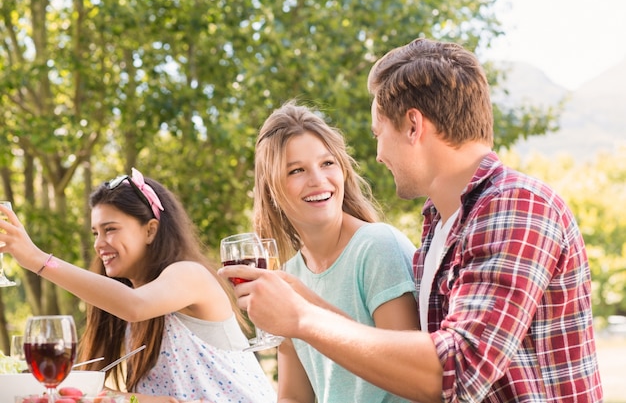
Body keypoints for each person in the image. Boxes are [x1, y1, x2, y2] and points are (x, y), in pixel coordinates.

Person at [219, 38, 604, 402]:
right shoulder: (441, 227)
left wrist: (303, 318)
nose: (378, 154)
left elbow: (457, 369)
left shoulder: (516, 205)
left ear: (413, 126)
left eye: (378, 133)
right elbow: (400, 354)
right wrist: (303, 303)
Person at [0, 168, 276, 403]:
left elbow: (135, 306)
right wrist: (86, 393)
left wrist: (38, 260)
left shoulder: (190, 275)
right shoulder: (125, 302)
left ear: (150, 230)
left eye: (110, 229)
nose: (99, 244)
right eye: (95, 233)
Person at [252, 101, 419, 402]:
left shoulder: (377, 247)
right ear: (271, 190)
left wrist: (305, 313)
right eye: (297, 170)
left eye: (327, 163)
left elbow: (412, 378)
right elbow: (294, 396)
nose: (318, 179)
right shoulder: (289, 275)